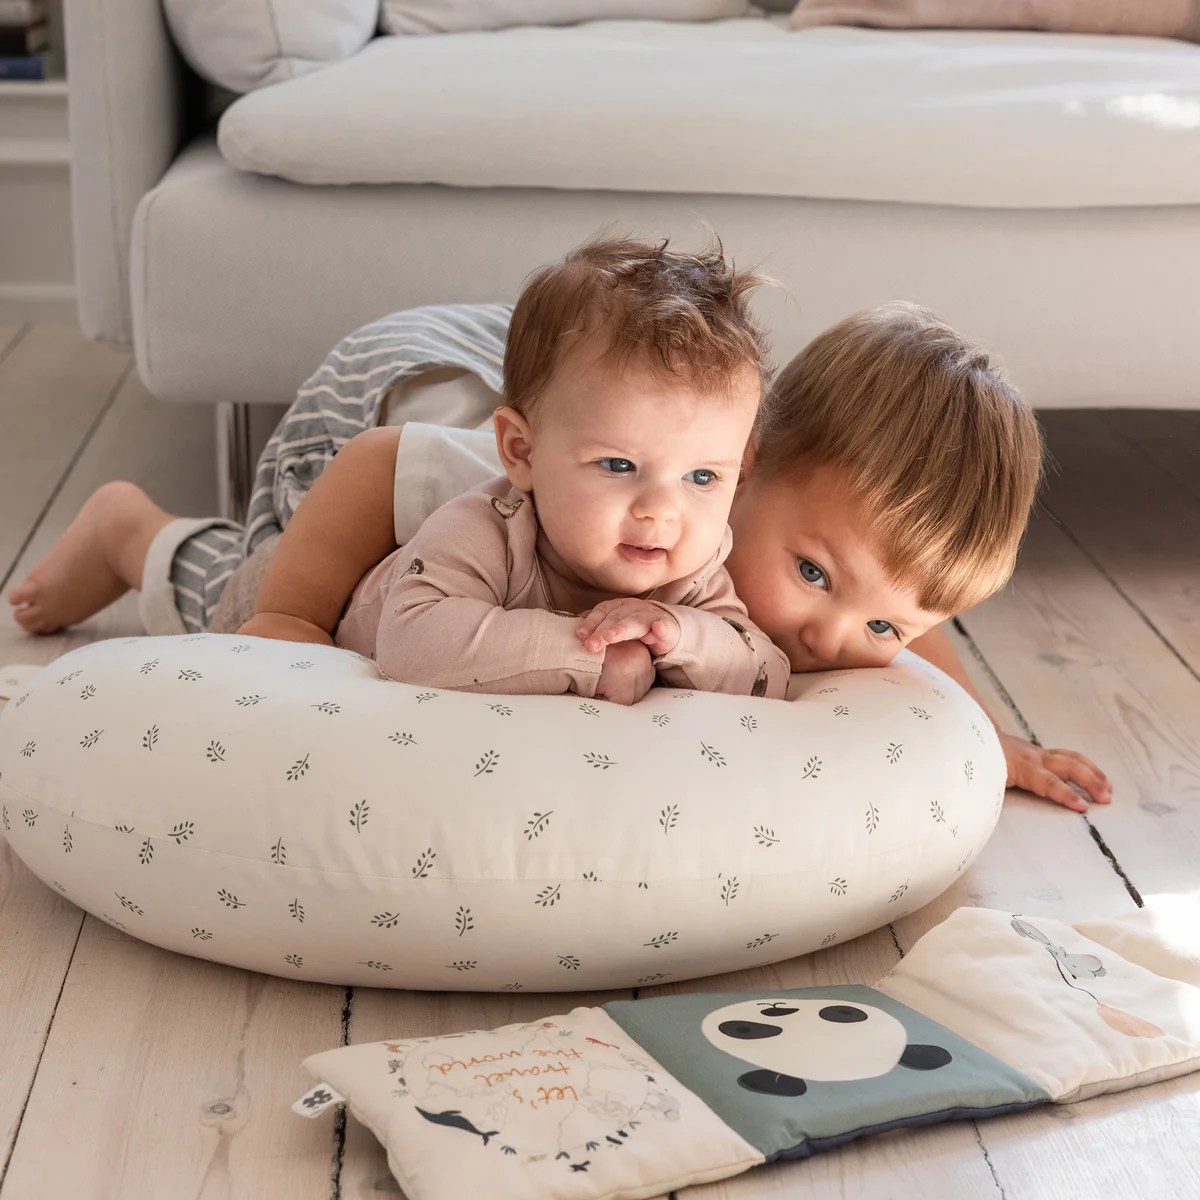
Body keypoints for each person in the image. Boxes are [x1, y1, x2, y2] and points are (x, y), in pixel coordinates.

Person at [8, 243, 1111, 812]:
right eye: (814, 575)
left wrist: (993, 739)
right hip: (388, 413)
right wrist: (293, 616)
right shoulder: (544, 487)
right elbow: (379, 467)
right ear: (757, 463)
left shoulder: (823, 555)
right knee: (253, 603)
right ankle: (129, 532)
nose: (827, 638)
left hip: (601, 408)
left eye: (881, 628)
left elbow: (908, 615)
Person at [333, 238, 790, 702]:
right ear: (522, 452)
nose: (662, 511)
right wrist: (592, 655)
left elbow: (766, 672)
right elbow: (410, 642)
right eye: (619, 465)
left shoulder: (694, 573)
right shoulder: (484, 531)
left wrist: (678, 633)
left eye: (702, 477)